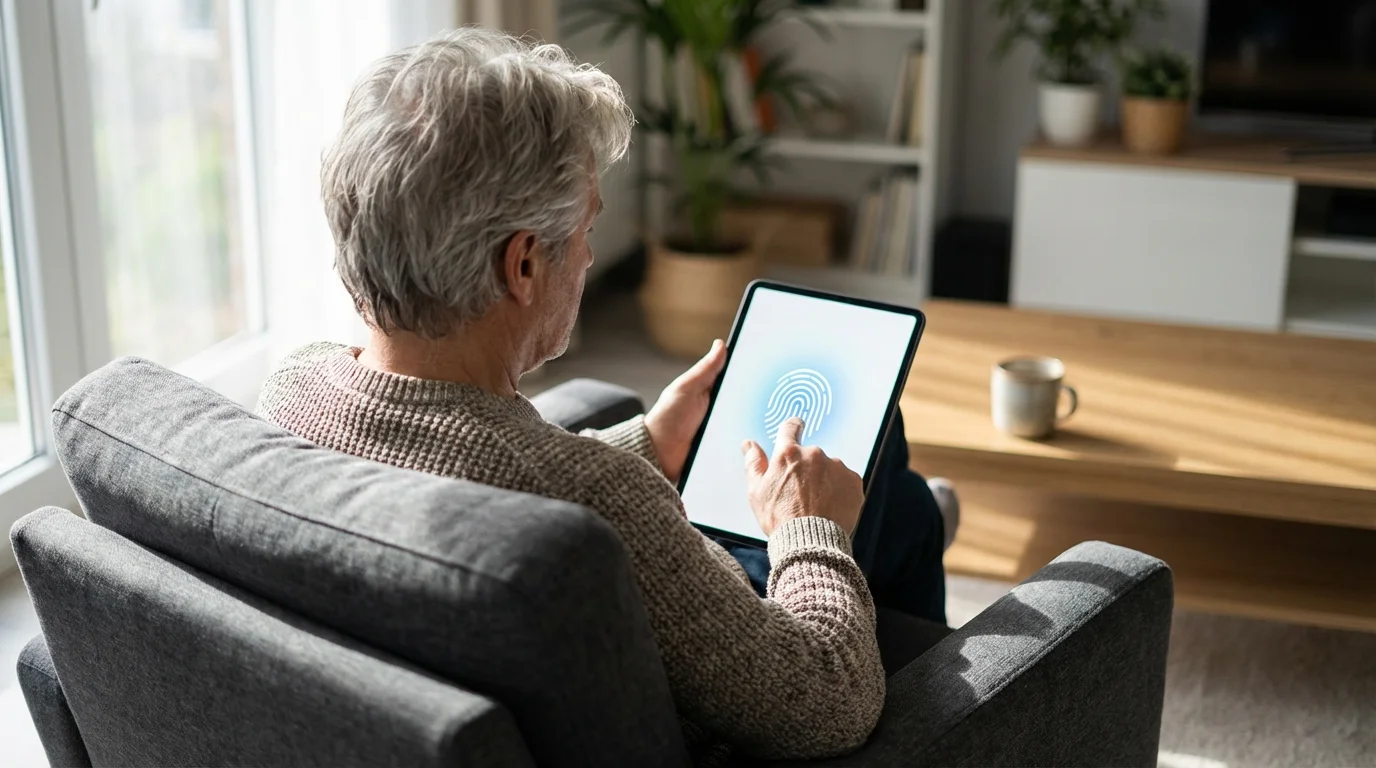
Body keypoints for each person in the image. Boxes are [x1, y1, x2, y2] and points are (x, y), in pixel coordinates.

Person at [257, 27, 957, 763]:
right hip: (718, 711)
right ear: (523, 264)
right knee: (876, 464)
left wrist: (648, 442)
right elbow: (823, 704)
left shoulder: (295, 388)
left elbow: (467, 481)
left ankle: (909, 519)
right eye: (589, 225)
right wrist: (806, 529)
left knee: (903, 509)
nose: (590, 254)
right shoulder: (605, 502)